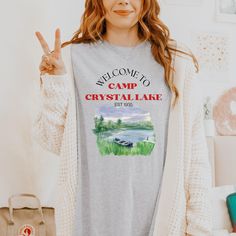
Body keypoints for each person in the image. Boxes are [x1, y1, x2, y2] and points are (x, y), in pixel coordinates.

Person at [33, 0, 213, 235]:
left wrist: (201, 230)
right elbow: (54, 141)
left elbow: (196, 159)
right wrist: (56, 80)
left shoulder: (176, 61)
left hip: (158, 224)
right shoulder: (70, 58)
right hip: (88, 222)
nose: (123, 1)